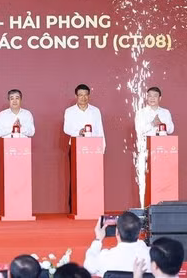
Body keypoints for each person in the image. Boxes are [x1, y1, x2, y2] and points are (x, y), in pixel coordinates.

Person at [63, 83, 105, 212]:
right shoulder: (69, 111)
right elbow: (66, 129)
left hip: (93, 149)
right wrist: (79, 132)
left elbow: (100, 130)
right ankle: (75, 207)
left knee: (92, 177)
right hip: (76, 147)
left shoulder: (95, 111)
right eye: (80, 95)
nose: (83, 98)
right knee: (76, 177)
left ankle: (93, 206)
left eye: (86, 95)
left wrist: (102, 148)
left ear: (89, 96)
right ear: (76, 96)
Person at [84, 211, 151, 276]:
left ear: (117, 232)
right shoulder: (153, 256)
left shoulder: (105, 257)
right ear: (139, 232)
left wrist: (98, 239)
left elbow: (88, 268)